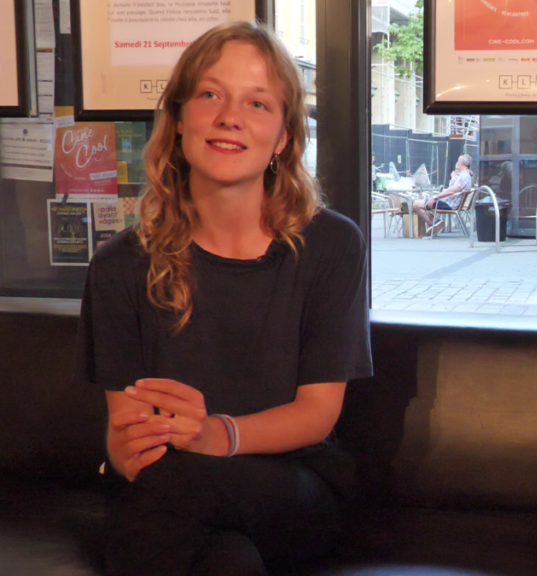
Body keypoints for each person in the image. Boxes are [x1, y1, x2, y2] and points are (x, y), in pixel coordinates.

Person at [74, 22, 371, 576]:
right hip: (172, 487)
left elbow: (318, 413)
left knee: (177, 485)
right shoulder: (119, 266)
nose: (229, 116)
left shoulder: (332, 244)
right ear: (180, 117)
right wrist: (127, 449)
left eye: (257, 103)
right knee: (226, 561)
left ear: (283, 137)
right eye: (210, 94)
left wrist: (217, 434)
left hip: (296, 485)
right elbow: (129, 431)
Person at [411, 154, 473, 234]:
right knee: (421, 203)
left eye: (458, 161)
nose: (456, 163)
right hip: (449, 202)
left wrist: (435, 198)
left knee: (415, 204)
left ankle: (433, 224)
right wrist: (453, 177)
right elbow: (453, 189)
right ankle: (435, 222)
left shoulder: (464, 177)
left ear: (461, 162)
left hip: (448, 203)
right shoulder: (464, 176)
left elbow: (451, 191)